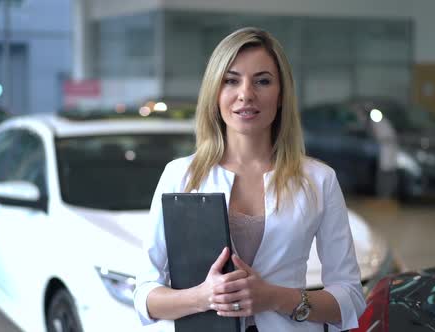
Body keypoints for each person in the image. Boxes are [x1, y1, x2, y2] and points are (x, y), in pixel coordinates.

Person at [134, 27, 365, 331]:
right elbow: (145, 295)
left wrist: (274, 298)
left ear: (281, 95)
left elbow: (350, 298)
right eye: (231, 80)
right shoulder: (181, 176)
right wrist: (203, 297)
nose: (246, 94)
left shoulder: (318, 180)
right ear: (215, 93)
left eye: (263, 81)